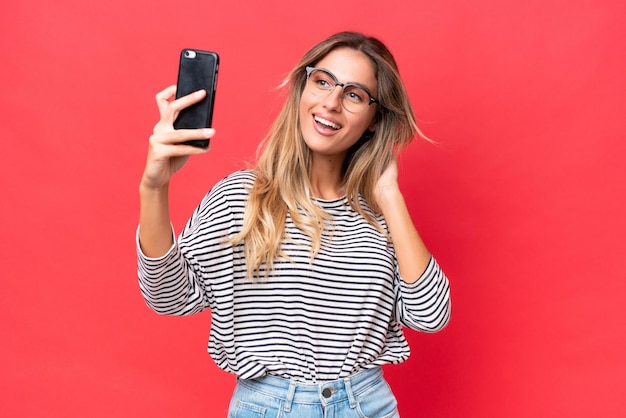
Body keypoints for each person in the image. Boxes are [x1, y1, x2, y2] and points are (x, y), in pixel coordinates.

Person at [137, 31, 451, 418]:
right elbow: (169, 297)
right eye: (322, 82)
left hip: (366, 405)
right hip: (267, 406)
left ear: (374, 120)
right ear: (303, 89)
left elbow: (432, 314)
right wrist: (154, 186)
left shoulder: (381, 217)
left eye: (353, 95)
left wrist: (389, 194)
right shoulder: (242, 197)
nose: (331, 103)